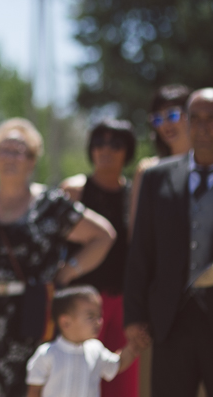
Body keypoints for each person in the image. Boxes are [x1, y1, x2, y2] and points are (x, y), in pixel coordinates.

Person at [0, 118, 115, 397]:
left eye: (18, 151)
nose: (9, 157)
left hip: (32, 315)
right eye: (3, 150)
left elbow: (104, 235)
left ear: (32, 160)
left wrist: (68, 271)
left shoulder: (50, 204)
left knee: (29, 388)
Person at [124, 88, 213, 396]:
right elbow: (141, 250)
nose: (203, 127)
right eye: (195, 119)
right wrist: (134, 316)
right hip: (170, 320)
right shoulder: (157, 177)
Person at [60, 119, 138, 397]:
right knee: (76, 382)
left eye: (115, 144)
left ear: (127, 151)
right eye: (99, 143)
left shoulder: (135, 193)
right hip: (79, 302)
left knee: (122, 382)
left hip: (122, 301)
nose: (106, 149)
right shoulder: (74, 190)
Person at [26, 286, 138, 397]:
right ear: (65, 322)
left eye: (99, 316)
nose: (99, 322)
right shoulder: (47, 354)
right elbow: (34, 390)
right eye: (90, 317)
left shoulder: (96, 350)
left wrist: (133, 348)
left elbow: (117, 364)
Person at [127, 84, 191, 239]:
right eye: (157, 119)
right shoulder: (148, 170)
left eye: (172, 115)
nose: (164, 125)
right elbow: (135, 234)